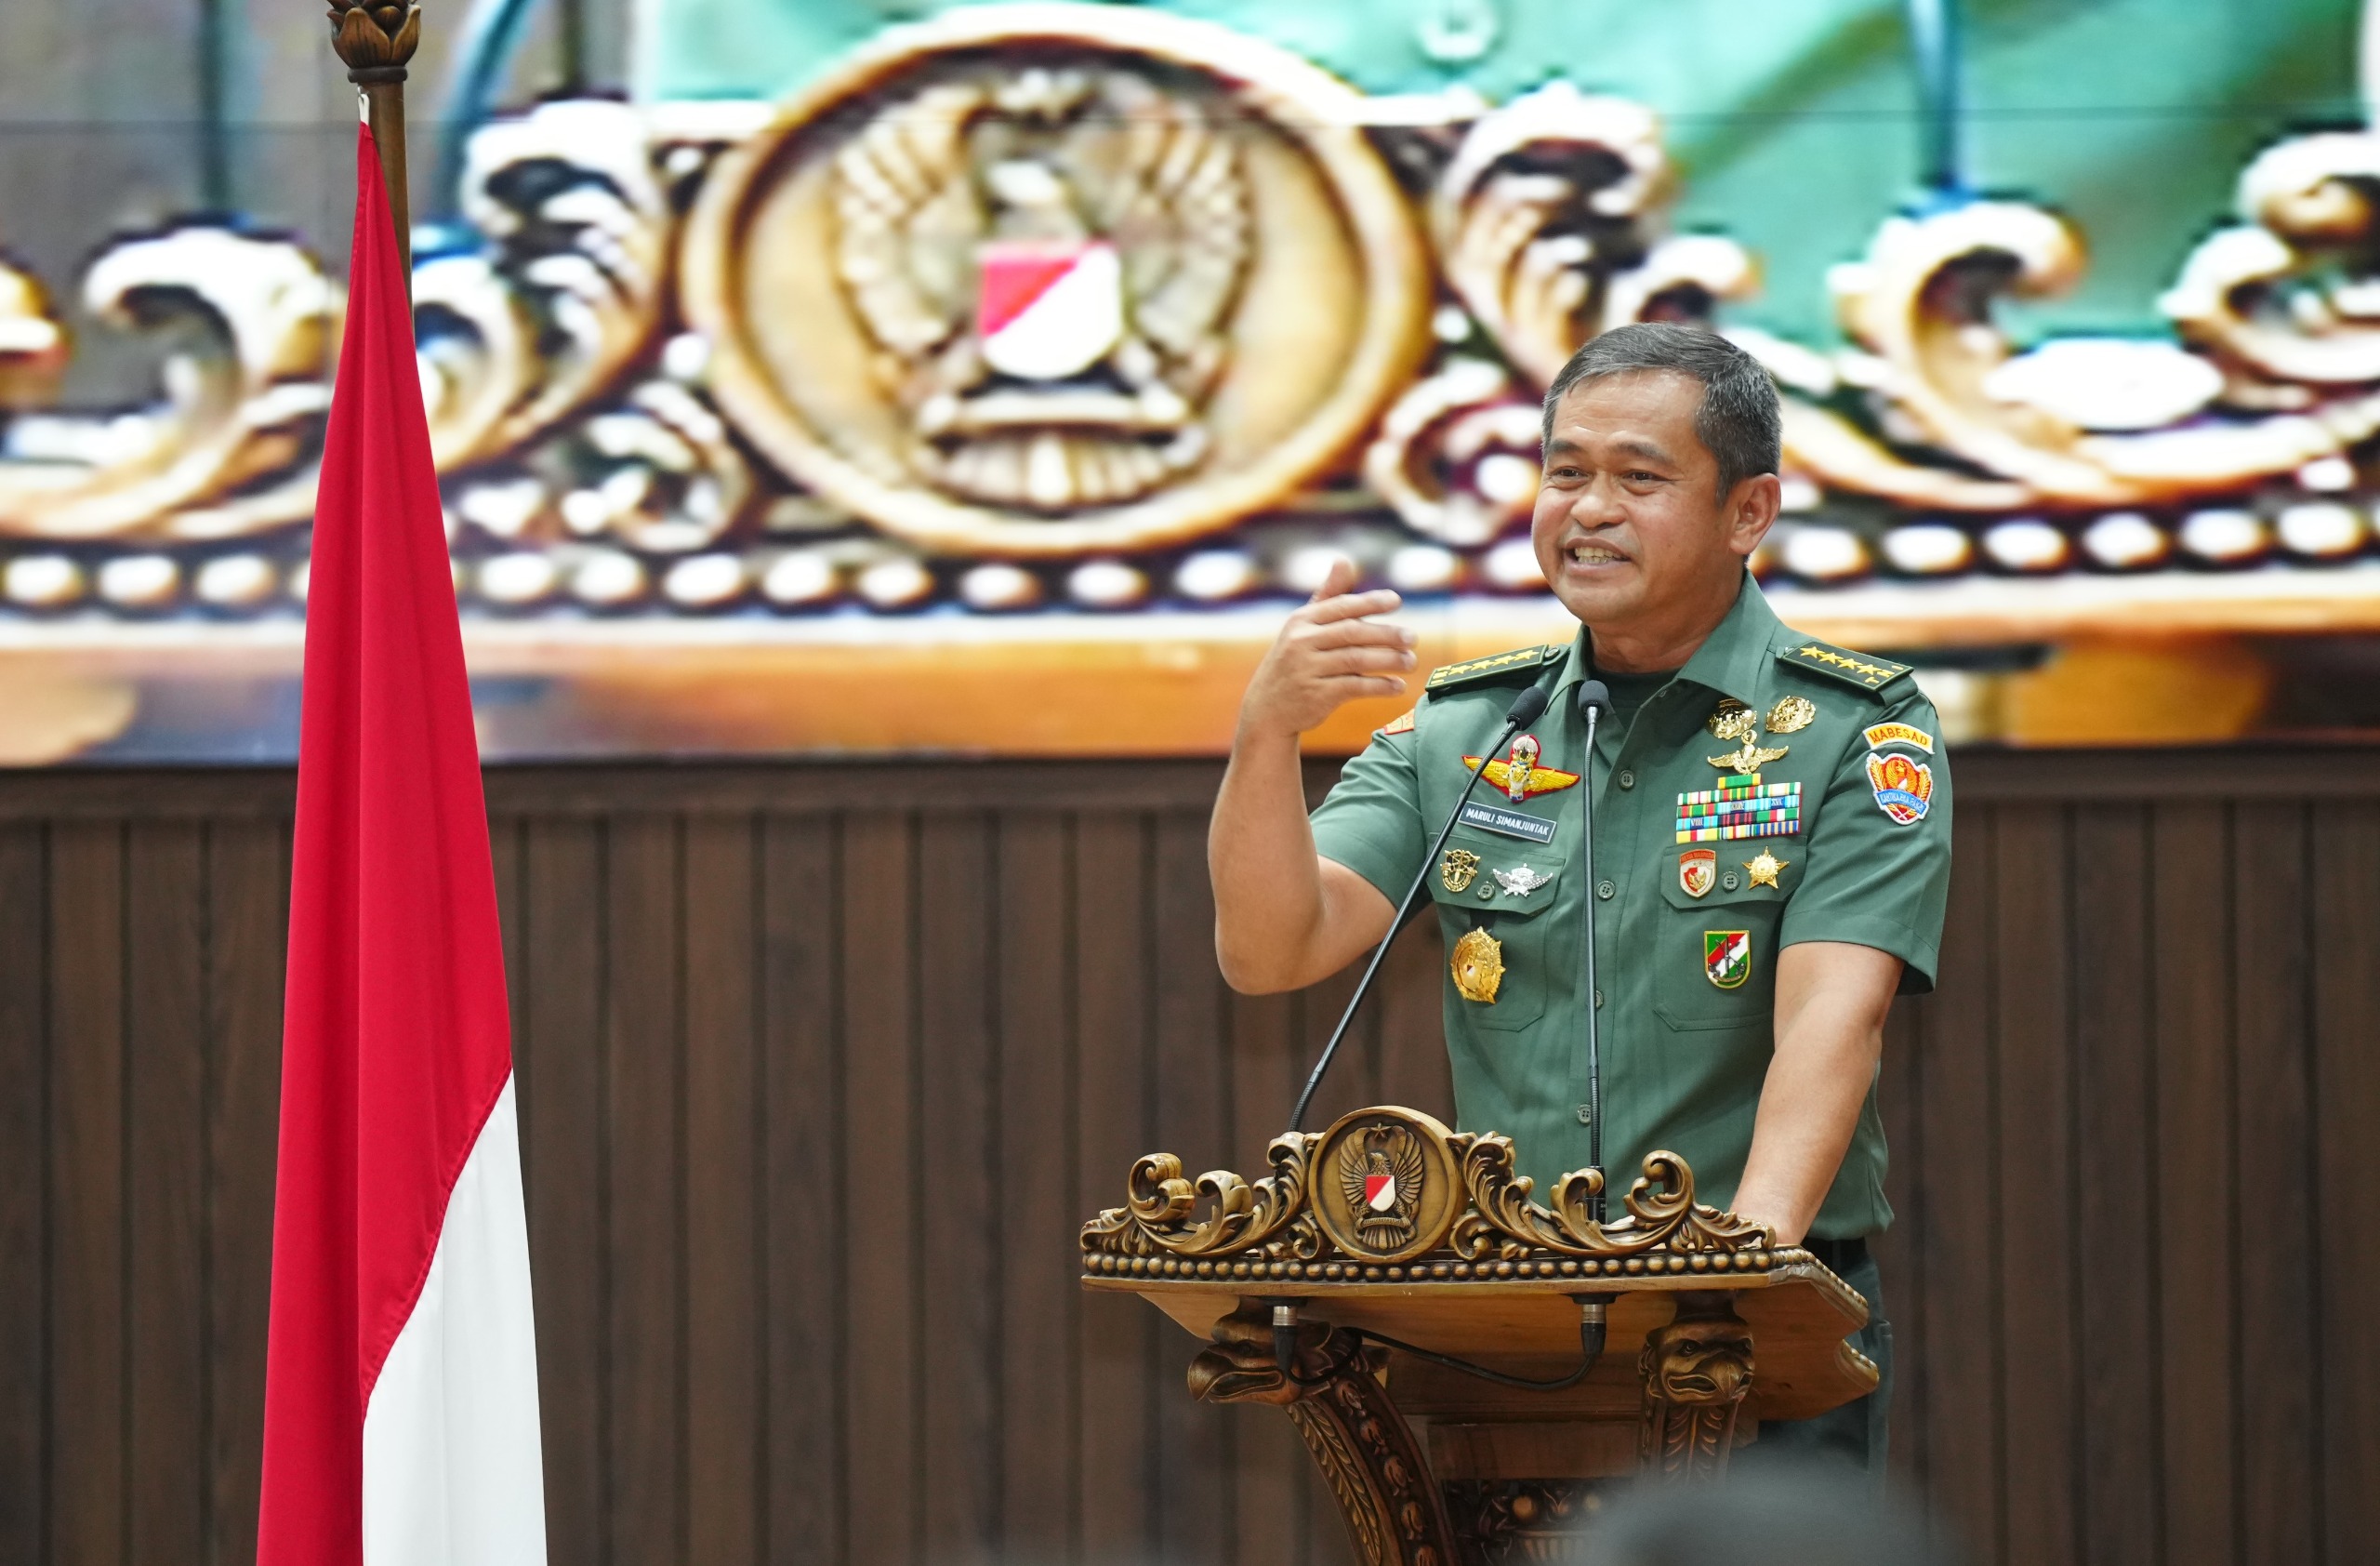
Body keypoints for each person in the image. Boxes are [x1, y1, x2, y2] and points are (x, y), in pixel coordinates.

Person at [1207, 322, 1951, 1471]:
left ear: (1748, 511)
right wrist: (1265, 733)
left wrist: (1733, 1276)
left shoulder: (1855, 729)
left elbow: (1831, 1019)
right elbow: (1270, 949)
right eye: (1565, 472)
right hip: (1505, 1319)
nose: (1589, 509)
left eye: (1639, 478)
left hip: (1753, 1321)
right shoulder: (1467, 730)